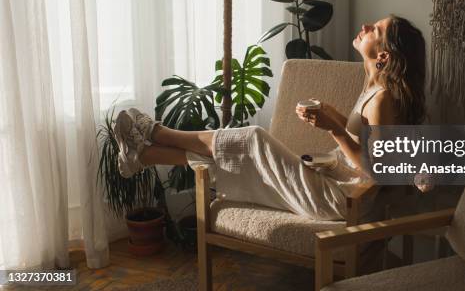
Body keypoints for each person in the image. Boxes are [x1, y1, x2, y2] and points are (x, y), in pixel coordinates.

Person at [113, 14, 428, 221]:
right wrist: (333, 116)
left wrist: (335, 130)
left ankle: (156, 133)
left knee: (252, 139)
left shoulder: (383, 98)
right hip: (332, 182)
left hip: (341, 200)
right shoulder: (374, 88)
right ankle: (144, 154)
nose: (366, 26)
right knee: (241, 153)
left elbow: (379, 168)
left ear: (383, 55)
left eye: (377, 29)